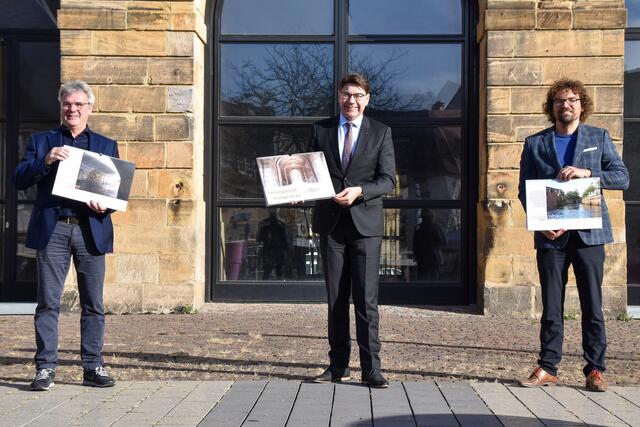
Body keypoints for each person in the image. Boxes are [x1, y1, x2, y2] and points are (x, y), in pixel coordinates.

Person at [517, 78, 629, 392]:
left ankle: (595, 370)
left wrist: (588, 172)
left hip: (589, 235)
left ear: (582, 105)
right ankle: (548, 366)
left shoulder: (599, 137)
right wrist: (540, 223)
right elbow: (525, 191)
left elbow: (623, 178)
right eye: (559, 101)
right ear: (551, 107)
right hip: (551, 237)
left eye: (572, 100)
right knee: (552, 305)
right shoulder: (535, 143)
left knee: (593, 305)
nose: (565, 105)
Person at [13, 80, 118, 391]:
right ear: (61, 107)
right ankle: (45, 368)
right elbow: (19, 179)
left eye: (79, 104)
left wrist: (105, 207)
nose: (72, 109)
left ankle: (93, 366)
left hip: (90, 229)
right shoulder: (42, 141)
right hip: (54, 229)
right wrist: (44, 161)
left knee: (93, 303)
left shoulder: (105, 145)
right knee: (48, 302)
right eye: (67, 104)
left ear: (90, 108)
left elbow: (114, 191)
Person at [309, 73, 396, 388]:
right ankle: (337, 366)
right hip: (331, 225)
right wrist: (295, 188)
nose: (352, 101)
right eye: (347, 94)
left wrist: (360, 191)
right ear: (339, 96)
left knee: (365, 300)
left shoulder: (381, 133)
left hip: (365, 225)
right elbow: (309, 173)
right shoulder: (321, 130)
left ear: (367, 99)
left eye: (358, 95)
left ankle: (371, 368)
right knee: (335, 299)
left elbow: (388, 180)